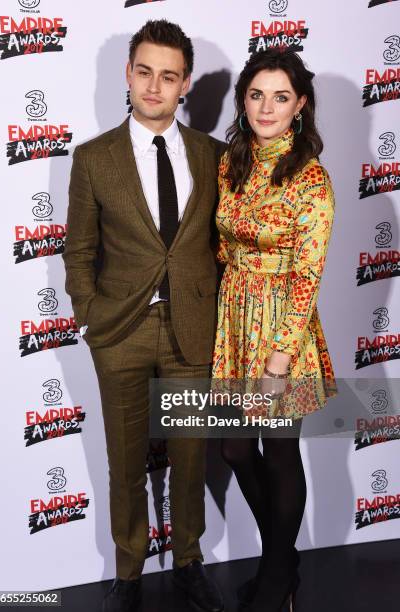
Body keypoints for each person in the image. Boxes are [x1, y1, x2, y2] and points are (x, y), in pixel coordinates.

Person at [63, 19, 225, 612]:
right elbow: (78, 250)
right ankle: (128, 573)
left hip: (191, 331)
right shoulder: (93, 158)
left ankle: (188, 561)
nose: (154, 87)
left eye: (169, 76)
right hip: (121, 334)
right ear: (128, 74)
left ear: (185, 85)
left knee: (189, 460)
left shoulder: (213, 156)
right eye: (144, 72)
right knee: (125, 463)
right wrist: (89, 321)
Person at [212, 49, 336, 611]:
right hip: (234, 321)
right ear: (244, 99)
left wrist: (278, 362)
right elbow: (223, 242)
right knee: (237, 448)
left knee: (280, 453)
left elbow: (309, 276)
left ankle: (274, 576)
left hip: (284, 332)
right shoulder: (230, 162)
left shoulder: (312, 180)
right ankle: (283, 560)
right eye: (257, 94)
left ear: (300, 105)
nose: (267, 107)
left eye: (280, 96)